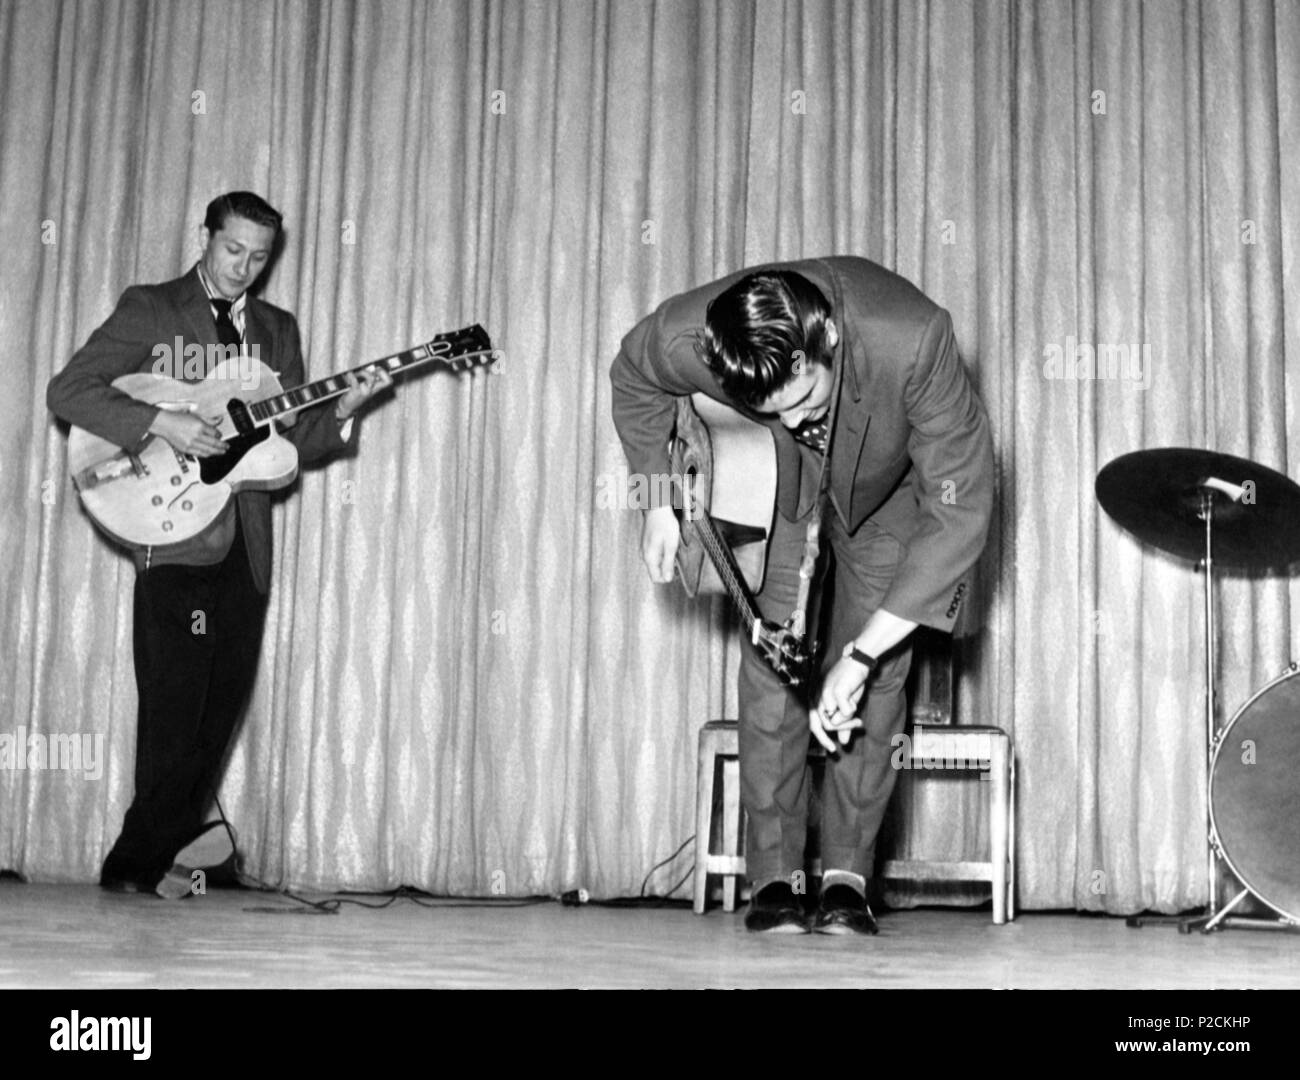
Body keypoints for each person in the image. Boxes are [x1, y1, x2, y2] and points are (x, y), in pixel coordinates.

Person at [611, 257, 994, 934]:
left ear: (830, 344)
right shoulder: (692, 336)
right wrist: (656, 501)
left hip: (888, 492)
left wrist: (863, 653)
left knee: (876, 675)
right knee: (771, 667)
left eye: (804, 400)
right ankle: (776, 879)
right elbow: (632, 375)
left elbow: (961, 506)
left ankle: (847, 876)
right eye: (772, 409)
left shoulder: (915, 339)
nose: (793, 417)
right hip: (785, 490)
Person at [47, 191, 391, 898]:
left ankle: (150, 861)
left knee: (217, 716)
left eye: (259, 258)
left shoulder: (278, 329)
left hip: (247, 547)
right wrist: (161, 424)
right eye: (233, 250)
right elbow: (69, 391)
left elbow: (288, 446)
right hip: (172, 539)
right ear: (205, 237)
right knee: (175, 713)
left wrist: (345, 412)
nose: (244, 269)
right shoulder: (151, 307)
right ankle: (134, 867)